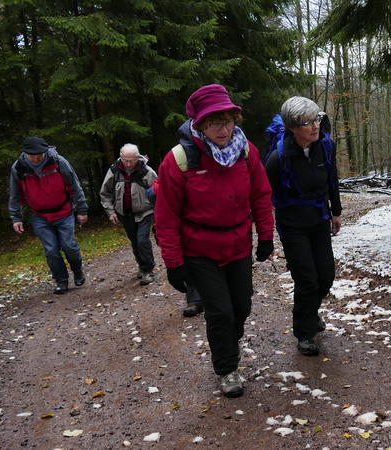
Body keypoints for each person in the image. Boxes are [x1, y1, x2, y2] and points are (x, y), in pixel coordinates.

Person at [154, 84, 274, 398]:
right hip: (199, 249)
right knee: (220, 311)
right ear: (199, 125)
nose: (223, 129)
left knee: (241, 306)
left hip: (238, 243)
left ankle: (226, 342)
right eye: (213, 123)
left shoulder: (246, 151)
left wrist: (265, 236)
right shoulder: (179, 159)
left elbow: (261, 194)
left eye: (228, 121)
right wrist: (173, 262)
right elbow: (166, 215)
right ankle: (227, 368)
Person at [264, 96, 342, 357]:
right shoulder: (278, 158)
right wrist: (265, 234)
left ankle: (310, 312)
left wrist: (336, 212)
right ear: (292, 128)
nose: (315, 126)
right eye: (307, 122)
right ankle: (305, 333)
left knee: (326, 276)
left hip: (319, 218)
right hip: (292, 223)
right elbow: (264, 196)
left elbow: (332, 179)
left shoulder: (325, 147)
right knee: (306, 279)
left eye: (316, 119)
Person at [8, 136, 88, 295]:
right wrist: (16, 218)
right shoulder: (18, 168)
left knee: (69, 246)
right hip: (39, 216)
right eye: (33, 156)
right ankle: (61, 281)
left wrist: (82, 209)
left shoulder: (58, 162)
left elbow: (74, 185)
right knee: (51, 250)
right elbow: (15, 196)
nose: (37, 159)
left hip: (63, 211)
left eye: (40, 155)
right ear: (25, 154)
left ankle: (77, 270)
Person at [99, 143, 158, 285]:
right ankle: (142, 265)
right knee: (134, 241)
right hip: (125, 213)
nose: (129, 163)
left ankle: (148, 270)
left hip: (145, 211)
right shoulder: (114, 171)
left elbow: (158, 191)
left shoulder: (146, 171)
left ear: (137, 158)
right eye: (126, 160)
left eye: (132, 160)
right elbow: (105, 193)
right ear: (121, 158)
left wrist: (159, 212)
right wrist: (110, 212)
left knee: (142, 240)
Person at [146, 178, 203, 317]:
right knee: (189, 265)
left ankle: (215, 298)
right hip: (180, 230)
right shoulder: (168, 177)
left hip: (202, 227)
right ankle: (195, 301)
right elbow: (152, 194)